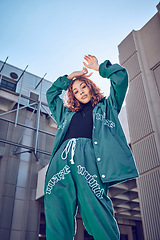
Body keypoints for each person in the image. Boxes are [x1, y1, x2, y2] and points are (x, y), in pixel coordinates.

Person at [44, 55, 139, 240]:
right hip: (60, 162)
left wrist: (98, 67)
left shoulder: (108, 106)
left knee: (95, 207)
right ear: (73, 96)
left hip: (89, 160)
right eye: (76, 91)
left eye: (83, 86)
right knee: (56, 207)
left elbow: (121, 77)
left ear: (90, 86)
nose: (81, 92)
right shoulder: (65, 114)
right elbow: (51, 94)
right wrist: (69, 78)